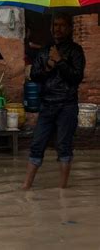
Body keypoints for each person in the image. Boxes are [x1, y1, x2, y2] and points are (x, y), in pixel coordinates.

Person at [22, 13, 85, 190]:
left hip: (67, 105)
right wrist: (49, 65)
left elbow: (76, 77)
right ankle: (26, 187)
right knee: (37, 144)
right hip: (47, 104)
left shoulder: (76, 51)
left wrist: (60, 61)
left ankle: (62, 191)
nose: (58, 28)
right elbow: (34, 75)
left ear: (70, 28)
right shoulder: (44, 51)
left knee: (64, 146)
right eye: (55, 25)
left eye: (62, 25)